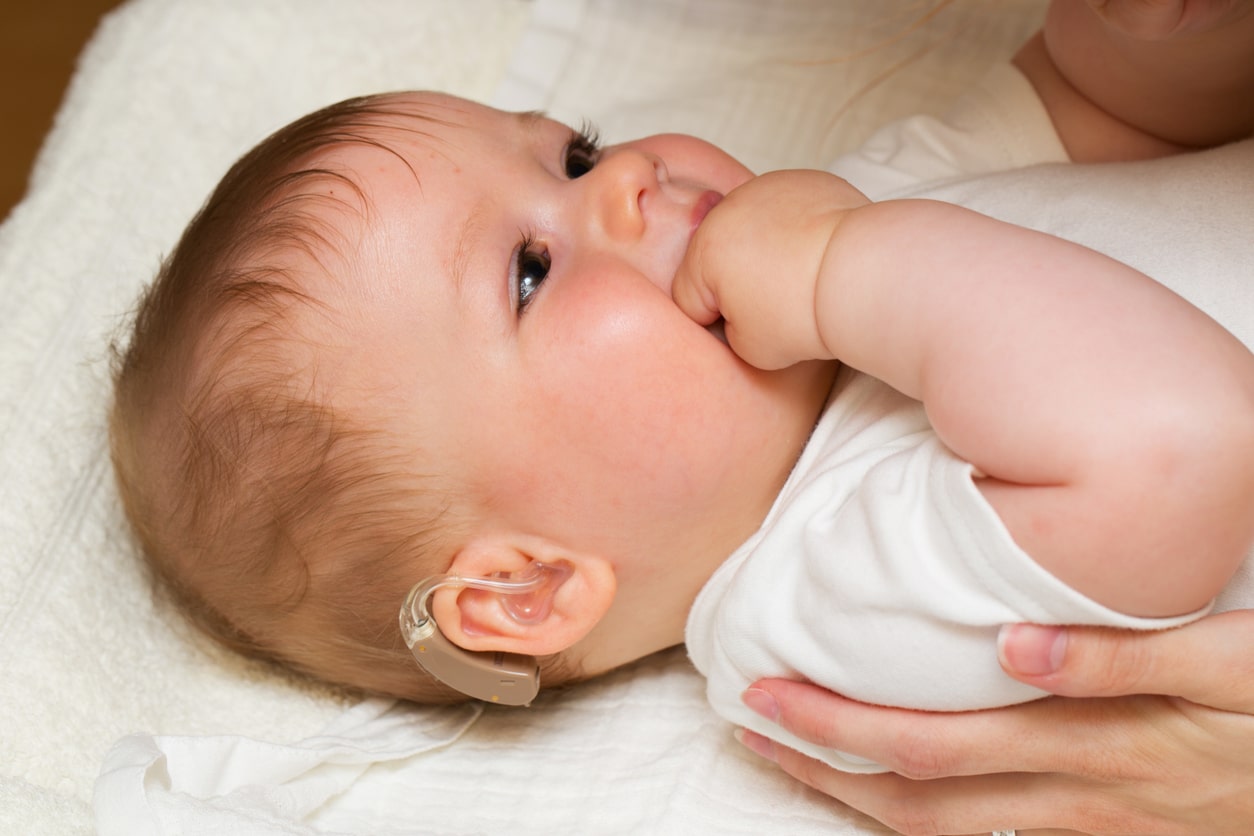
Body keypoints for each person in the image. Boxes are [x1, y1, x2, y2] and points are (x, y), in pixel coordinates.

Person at [107, 0, 1254, 826]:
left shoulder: (849, 212)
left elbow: (1109, 111)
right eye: (530, 270)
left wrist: (1142, 34)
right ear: (527, 587)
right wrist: (838, 268)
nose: (625, 178)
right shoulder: (823, 609)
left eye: (573, 153)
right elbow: (1178, 447)